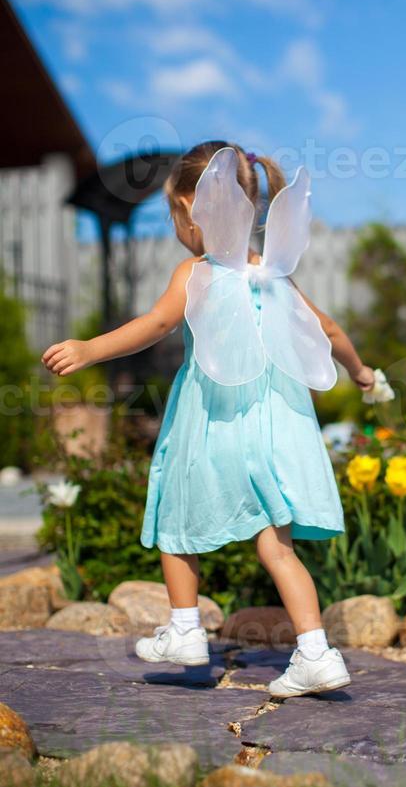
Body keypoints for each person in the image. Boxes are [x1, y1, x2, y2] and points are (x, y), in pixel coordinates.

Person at [42, 141, 375, 697]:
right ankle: (315, 652)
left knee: (176, 518)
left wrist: (89, 349)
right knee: (277, 544)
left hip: (214, 422)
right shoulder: (274, 275)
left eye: (176, 214)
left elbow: (154, 325)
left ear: (194, 210)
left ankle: (185, 630)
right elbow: (331, 331)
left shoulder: (196, 272)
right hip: (276, 428)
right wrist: (362, 373)